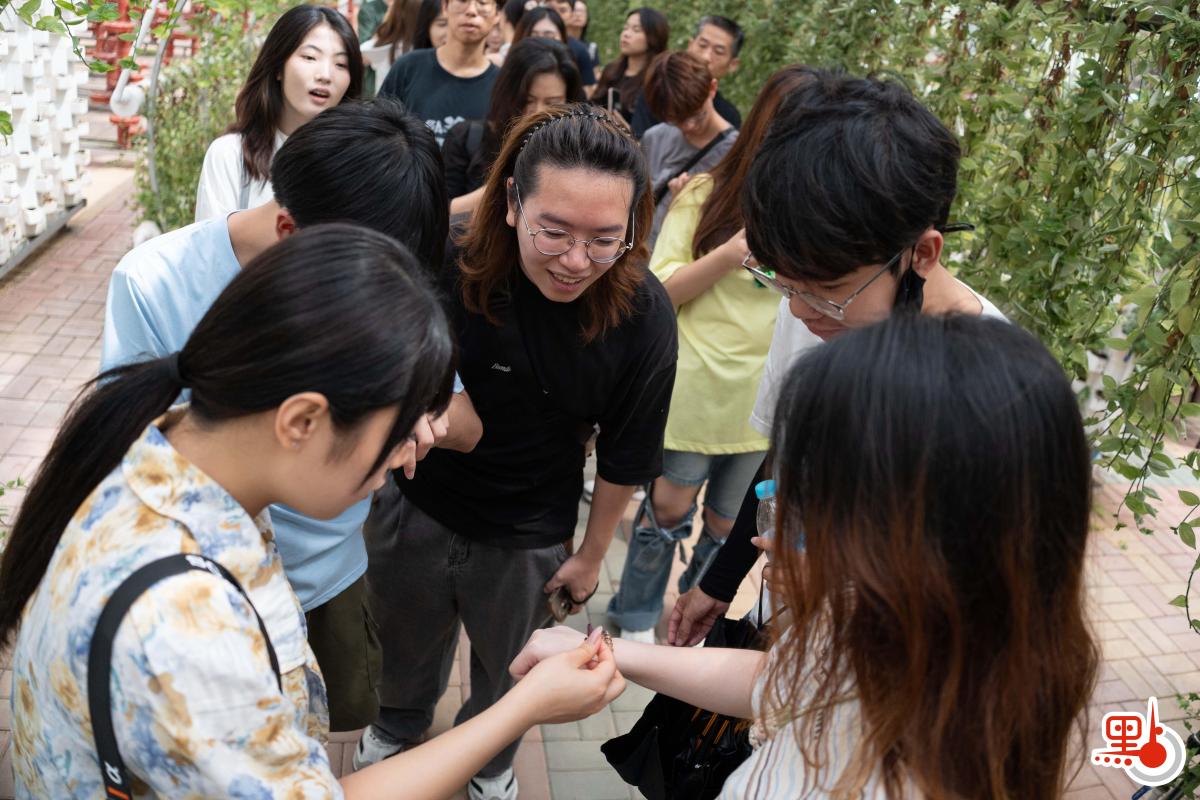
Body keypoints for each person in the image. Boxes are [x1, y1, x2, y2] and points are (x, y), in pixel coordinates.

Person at [3, 225, 625, 799]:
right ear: (302, 420)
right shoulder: (186, 627)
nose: (410, 455)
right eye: (399, 433)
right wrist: (523, 706)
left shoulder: (154, 446)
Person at [516, 311, 1100, 799]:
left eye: (819, 494)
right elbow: (783, 677)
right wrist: (609, 651)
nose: (780, 523)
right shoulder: (901, 630)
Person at [102, 99, 483, 733]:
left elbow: (467, 425)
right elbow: (139, 457)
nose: (380, 477)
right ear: (290, 232)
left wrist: (419, 407)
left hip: (326, 580)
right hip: (208, 587)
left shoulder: (362, 283)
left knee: (324, 722)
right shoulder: (154, 281)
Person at [356, 106, 678, 800]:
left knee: (512, 667)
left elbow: (626, 452)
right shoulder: (451, 261)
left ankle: (492, 760)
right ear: (510, 203)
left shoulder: (642, 313)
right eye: (553, 232)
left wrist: (590, 555)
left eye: (605, 239)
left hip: (530, 529)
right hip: (419, 500)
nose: (575, 261)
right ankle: (398, 723)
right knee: (403, 640)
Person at [669, 69, 1008, 649]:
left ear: (923, 254)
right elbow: (782, 462)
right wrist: (720, 582)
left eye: (827, 291)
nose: (799, 310)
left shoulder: (993, 391)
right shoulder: (815, 304)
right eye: (781, 282)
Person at [605, 66, 813, 643]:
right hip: (696, 387)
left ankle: (691, 619)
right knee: (668, 510)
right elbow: (661, 292)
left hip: (764, 399)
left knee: (727, 524)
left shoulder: (822, 217)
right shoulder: (704, 194)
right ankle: (635, 615)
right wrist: (731, 253)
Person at [194, 5, 361, 221]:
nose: (325, 75)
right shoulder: (230, 155)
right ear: (278, 67)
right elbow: (212, 241)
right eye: (310, 57)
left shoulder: (357, 162)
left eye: (340, 64)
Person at [443, 38, 584, 215]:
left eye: (552, 103)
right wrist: (501, 186)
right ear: (509, 95)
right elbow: (440, 214)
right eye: (528, 101)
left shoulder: (578, 150)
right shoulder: (467, 138)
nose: (538, 112)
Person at [639, 51, 738, 247]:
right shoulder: (654, 138)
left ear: (712, 88)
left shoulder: (736, 153)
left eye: (697, 115)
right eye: (677, 120)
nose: (689, 126)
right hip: (642, 253)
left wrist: (684, 207)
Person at [379, 0, 499, 146]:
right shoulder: (408, 67)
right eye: (462, 1)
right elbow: (378, 132)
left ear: (497, 14)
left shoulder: (501, 85)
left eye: (483, 2)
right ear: (445, 7)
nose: (471, 11)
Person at [629, 14, 744, 137]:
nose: (706, 57)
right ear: (690, 45)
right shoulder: (659, 90)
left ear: (733, 64)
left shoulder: (729, 116)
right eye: (702, 45)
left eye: (718, 52)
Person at [591, 8, 668, 129]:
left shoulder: (657, 79)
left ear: (653, 37)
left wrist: (627, 131)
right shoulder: (611, 71)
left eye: (636, 30)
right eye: (625, 28)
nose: (626, 34)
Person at [361, 0, 420, 96]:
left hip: (384, 102)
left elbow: (362, 55)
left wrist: (388, 22)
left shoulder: (384, 46)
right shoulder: (429, 48)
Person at [540, 0, 596, 92]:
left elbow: (588, 90)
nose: (556, 14)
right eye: (551, 9)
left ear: (572, 15)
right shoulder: (531, 42)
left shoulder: (580, 50)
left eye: (563, 10)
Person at [566, 0, 597, 65]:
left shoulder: (591, 47)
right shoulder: (558, 43)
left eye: (582, 11)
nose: (578, 14)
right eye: (574, 10)